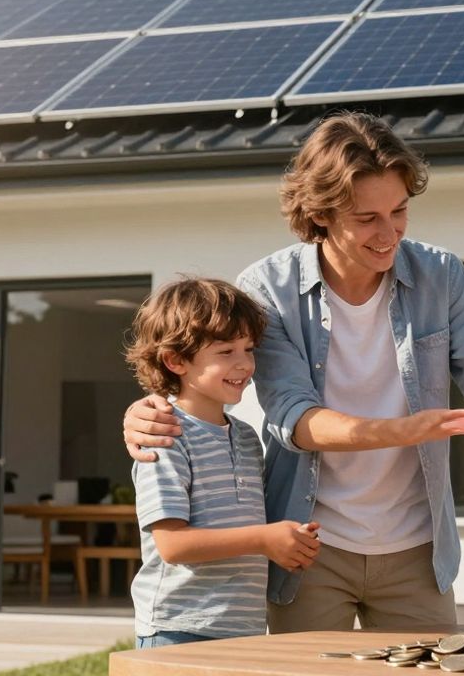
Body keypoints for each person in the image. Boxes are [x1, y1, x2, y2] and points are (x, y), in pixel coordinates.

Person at [124, 112, 464, 632]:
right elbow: (295, 419)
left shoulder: (440, 274)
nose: (389, 234)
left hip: (418, 547)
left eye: (399, 211)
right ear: (321, 214)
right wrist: (407, 430)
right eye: (367, 219)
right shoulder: (267, 289)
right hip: (309, 546)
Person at [124, 277, 321, 648]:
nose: (245, 364)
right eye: (226, 352)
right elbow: (172, 545)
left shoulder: (246, 437)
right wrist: (265, 538)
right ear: (175, 360)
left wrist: (288, 542)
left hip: (241, 628)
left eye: (248, 349)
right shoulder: (164, 437)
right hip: (178, 627)